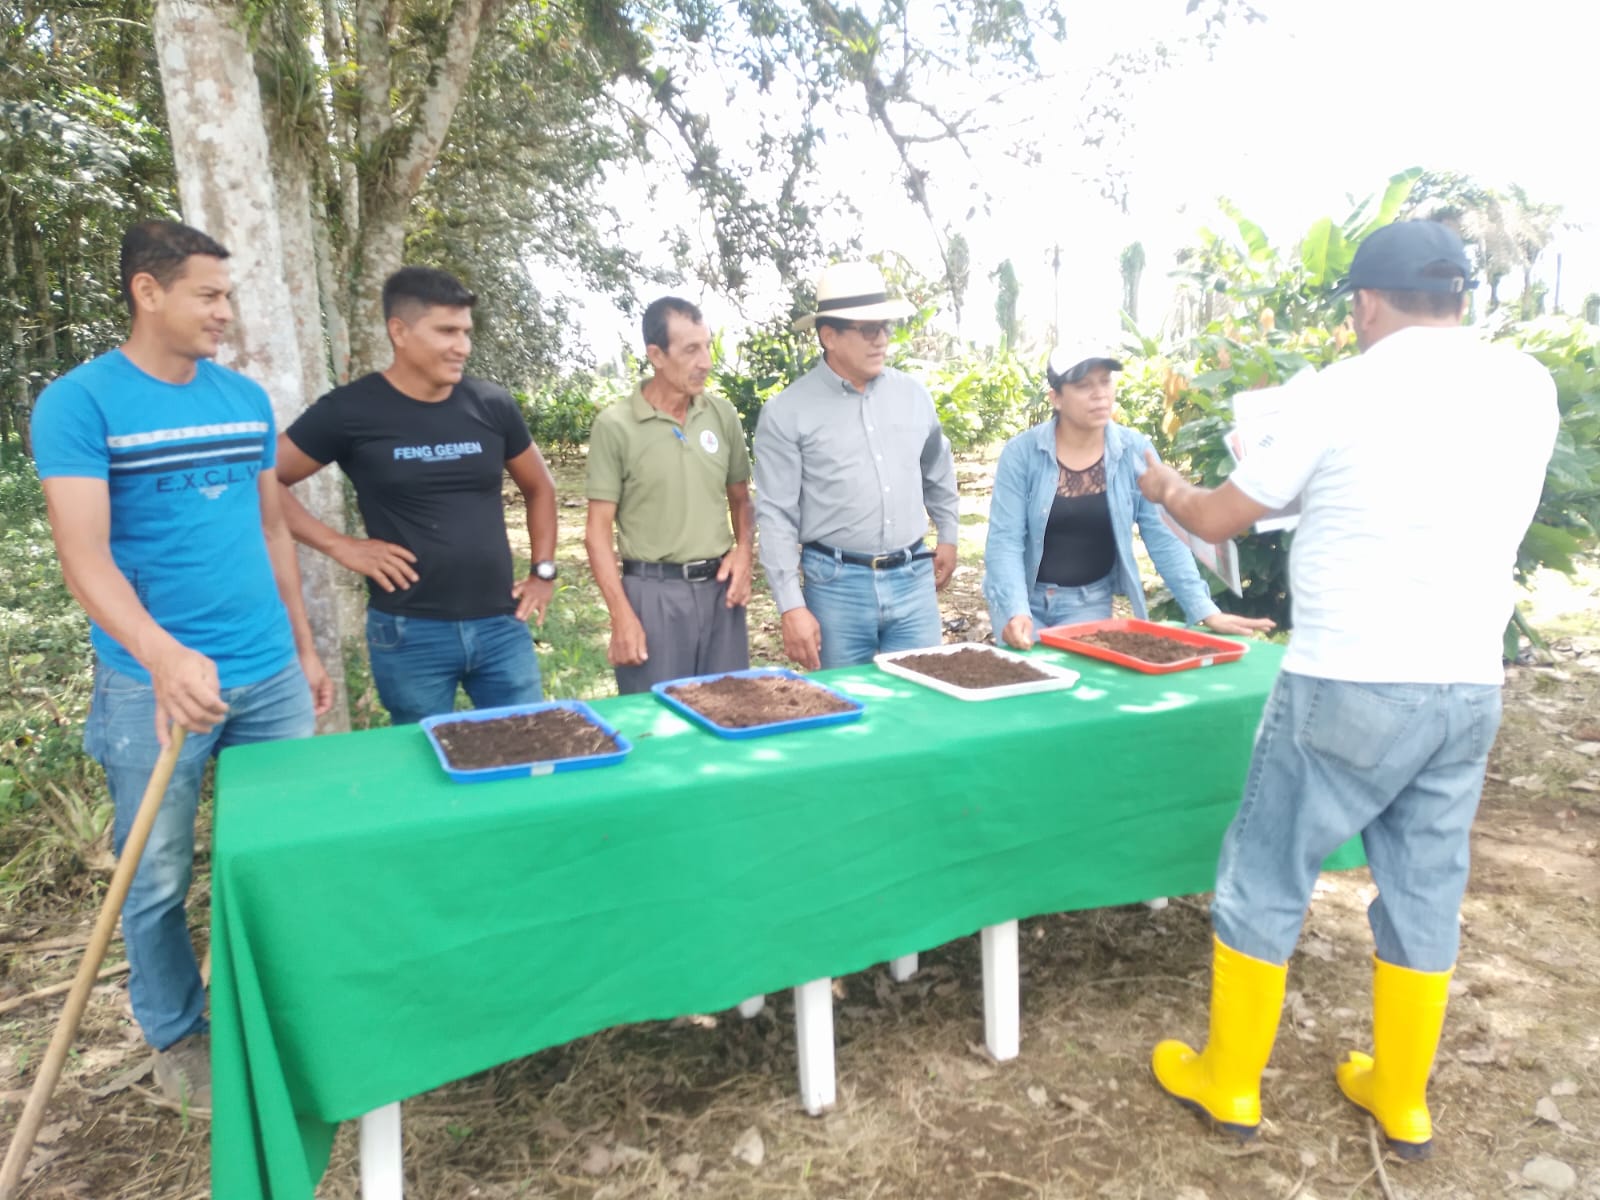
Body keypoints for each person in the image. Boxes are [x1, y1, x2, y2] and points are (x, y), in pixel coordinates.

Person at [1137, 221, 1559, 1159]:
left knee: (1267, 866)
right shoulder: (1527, 385)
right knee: (1426, 882)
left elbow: (1220, 517)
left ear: (1366, 303)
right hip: (1467, 682)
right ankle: (1401, 1096)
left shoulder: (1338, 391)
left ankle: (1229, 1080)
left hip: (1350, 676)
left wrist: (1167, 489)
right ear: (1458, 298)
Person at [31, 220, 334, 1109]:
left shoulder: (242, 399)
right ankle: (176, 1035)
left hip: (269, 676)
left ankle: (270, 1013)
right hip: (150, 690)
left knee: (277, 854)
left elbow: (271, 528)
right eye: (208, 294)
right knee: (155, 873)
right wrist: (162, 656)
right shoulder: (80, 404)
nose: (224, 312)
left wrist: (304, 648)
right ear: (147, 291)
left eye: (226, 295)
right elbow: (84, 557)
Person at [276, 267, 559, 724]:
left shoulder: (490, 404)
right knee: (422, 755)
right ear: (399, 331)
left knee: (528, 745)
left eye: (465, 332)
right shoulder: (349, 411)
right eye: (447, 331)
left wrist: (543, 571)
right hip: (409, 632)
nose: (462, 346)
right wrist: (339, 545)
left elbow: (540, 486)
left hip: (501, 624)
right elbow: (262, 479)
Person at [983, 345, 1274, 645]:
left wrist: (1203, 609)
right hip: (1022, 598)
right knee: (1023, 673)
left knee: (1076, 673)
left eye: (1105, 381)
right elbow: (1005, 540)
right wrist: (1015, 610)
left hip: (1088, 603)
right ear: (1055, 397)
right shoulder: (1022, 454)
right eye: (1083, 385)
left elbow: (1162, 534)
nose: (1099, 394)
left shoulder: (1134, 451)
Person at [754, 261, 959, 669]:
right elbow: (776, 515)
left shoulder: (913, 396)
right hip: (836, 588)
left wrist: (949, 534)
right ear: (828, 336)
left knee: (922, 696)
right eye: (868, 330)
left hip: (913, 581)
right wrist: (791, 605)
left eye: (884, 327)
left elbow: (937, 468)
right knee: (847, 701)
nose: (881, 339)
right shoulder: (787, 412)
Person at [584, 297, 754, 693]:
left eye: (707, 346)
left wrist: (744, 550)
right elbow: (596, 532)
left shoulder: (721, 415)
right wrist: (621, 615)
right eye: (691, 350)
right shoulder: (615, 426)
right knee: (657, 717)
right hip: (652, 596)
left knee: (731, 707)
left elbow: (741, 499)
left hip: (721, 594)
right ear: (656, 355)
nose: (705, 361)